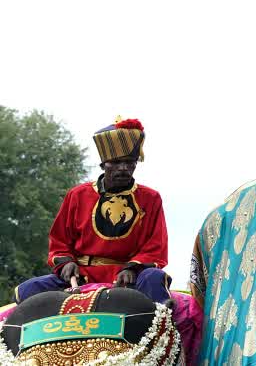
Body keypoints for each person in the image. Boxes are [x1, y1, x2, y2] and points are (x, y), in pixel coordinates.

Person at [15, 118, 171, 304]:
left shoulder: (151, 198)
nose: (123, 168)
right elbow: (59, 241)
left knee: (154, 277)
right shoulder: (78, 195)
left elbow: (155, 247)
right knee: (28, 289)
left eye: (129, 162)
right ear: (104, 164)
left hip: (130, 275)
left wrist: (131, 269)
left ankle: (163, 326)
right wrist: (67, 263)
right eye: (116, 162)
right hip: (82, 274)